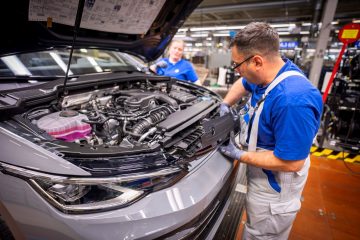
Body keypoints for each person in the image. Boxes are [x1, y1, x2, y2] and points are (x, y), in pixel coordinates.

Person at [219, 22, 323, 239]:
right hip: (261, 174)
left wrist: (240, 154)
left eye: (237, 65)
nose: (237, 71)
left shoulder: (292, 101)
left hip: (274, 189)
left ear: (257, 61)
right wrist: (225, 104)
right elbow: (244, 83)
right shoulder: (271, 72)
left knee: (261, 234)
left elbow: (292, 163)